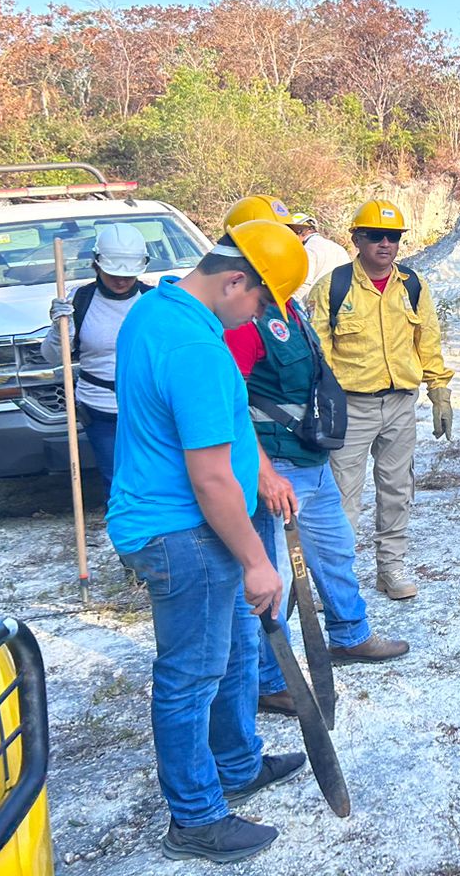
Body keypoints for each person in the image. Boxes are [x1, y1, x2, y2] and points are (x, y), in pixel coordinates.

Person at [105, 220, 310, 864]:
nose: (260, 318)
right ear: (233, 281)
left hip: (191, 524)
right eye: (261, 303)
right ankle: (195, 817)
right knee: (191, 674)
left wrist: (265, 476)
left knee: (236, 651)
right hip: (183, 533)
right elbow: (211, 474)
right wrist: (257, 561)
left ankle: (238, 762)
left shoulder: (154, 308)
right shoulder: (196, 349)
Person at [220, 203, 409, 720]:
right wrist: (260, 470)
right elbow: (230, 399)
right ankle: (267, 679)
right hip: (276, 464)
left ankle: (350, 634)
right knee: (271, 579)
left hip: (312, 457)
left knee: (336, 549)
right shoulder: (242, 318)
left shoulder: (287, 305)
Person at [308, 199, 454, 601]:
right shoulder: (333, 288)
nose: (384, 244)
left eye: (392, 237)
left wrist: (438, 389)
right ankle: (335, 582)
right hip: (351, 408)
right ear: (357, 239)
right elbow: (318, 352)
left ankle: (391, 568)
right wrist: (320, 404)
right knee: (341, 497)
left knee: (396, 489)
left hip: (400, 405)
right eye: (375, 236)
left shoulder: (413, 286)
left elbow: (428, 339)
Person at [42, 222, 154, 500]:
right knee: (117, 482)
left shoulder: (154, 301)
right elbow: (53, 356)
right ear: (97, 264)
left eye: (127, 274)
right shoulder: (80, 300)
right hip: (101, 410)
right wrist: (60, 329)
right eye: (113, 273)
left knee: (155, 478)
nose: (121, 280)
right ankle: (127, 540)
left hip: (149, 406)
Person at [289, 211, 351, 301]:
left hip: (314, 308)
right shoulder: (338, 248)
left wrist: (290, 306)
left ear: (303, 231)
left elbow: (304, 283)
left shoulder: (307, 249)